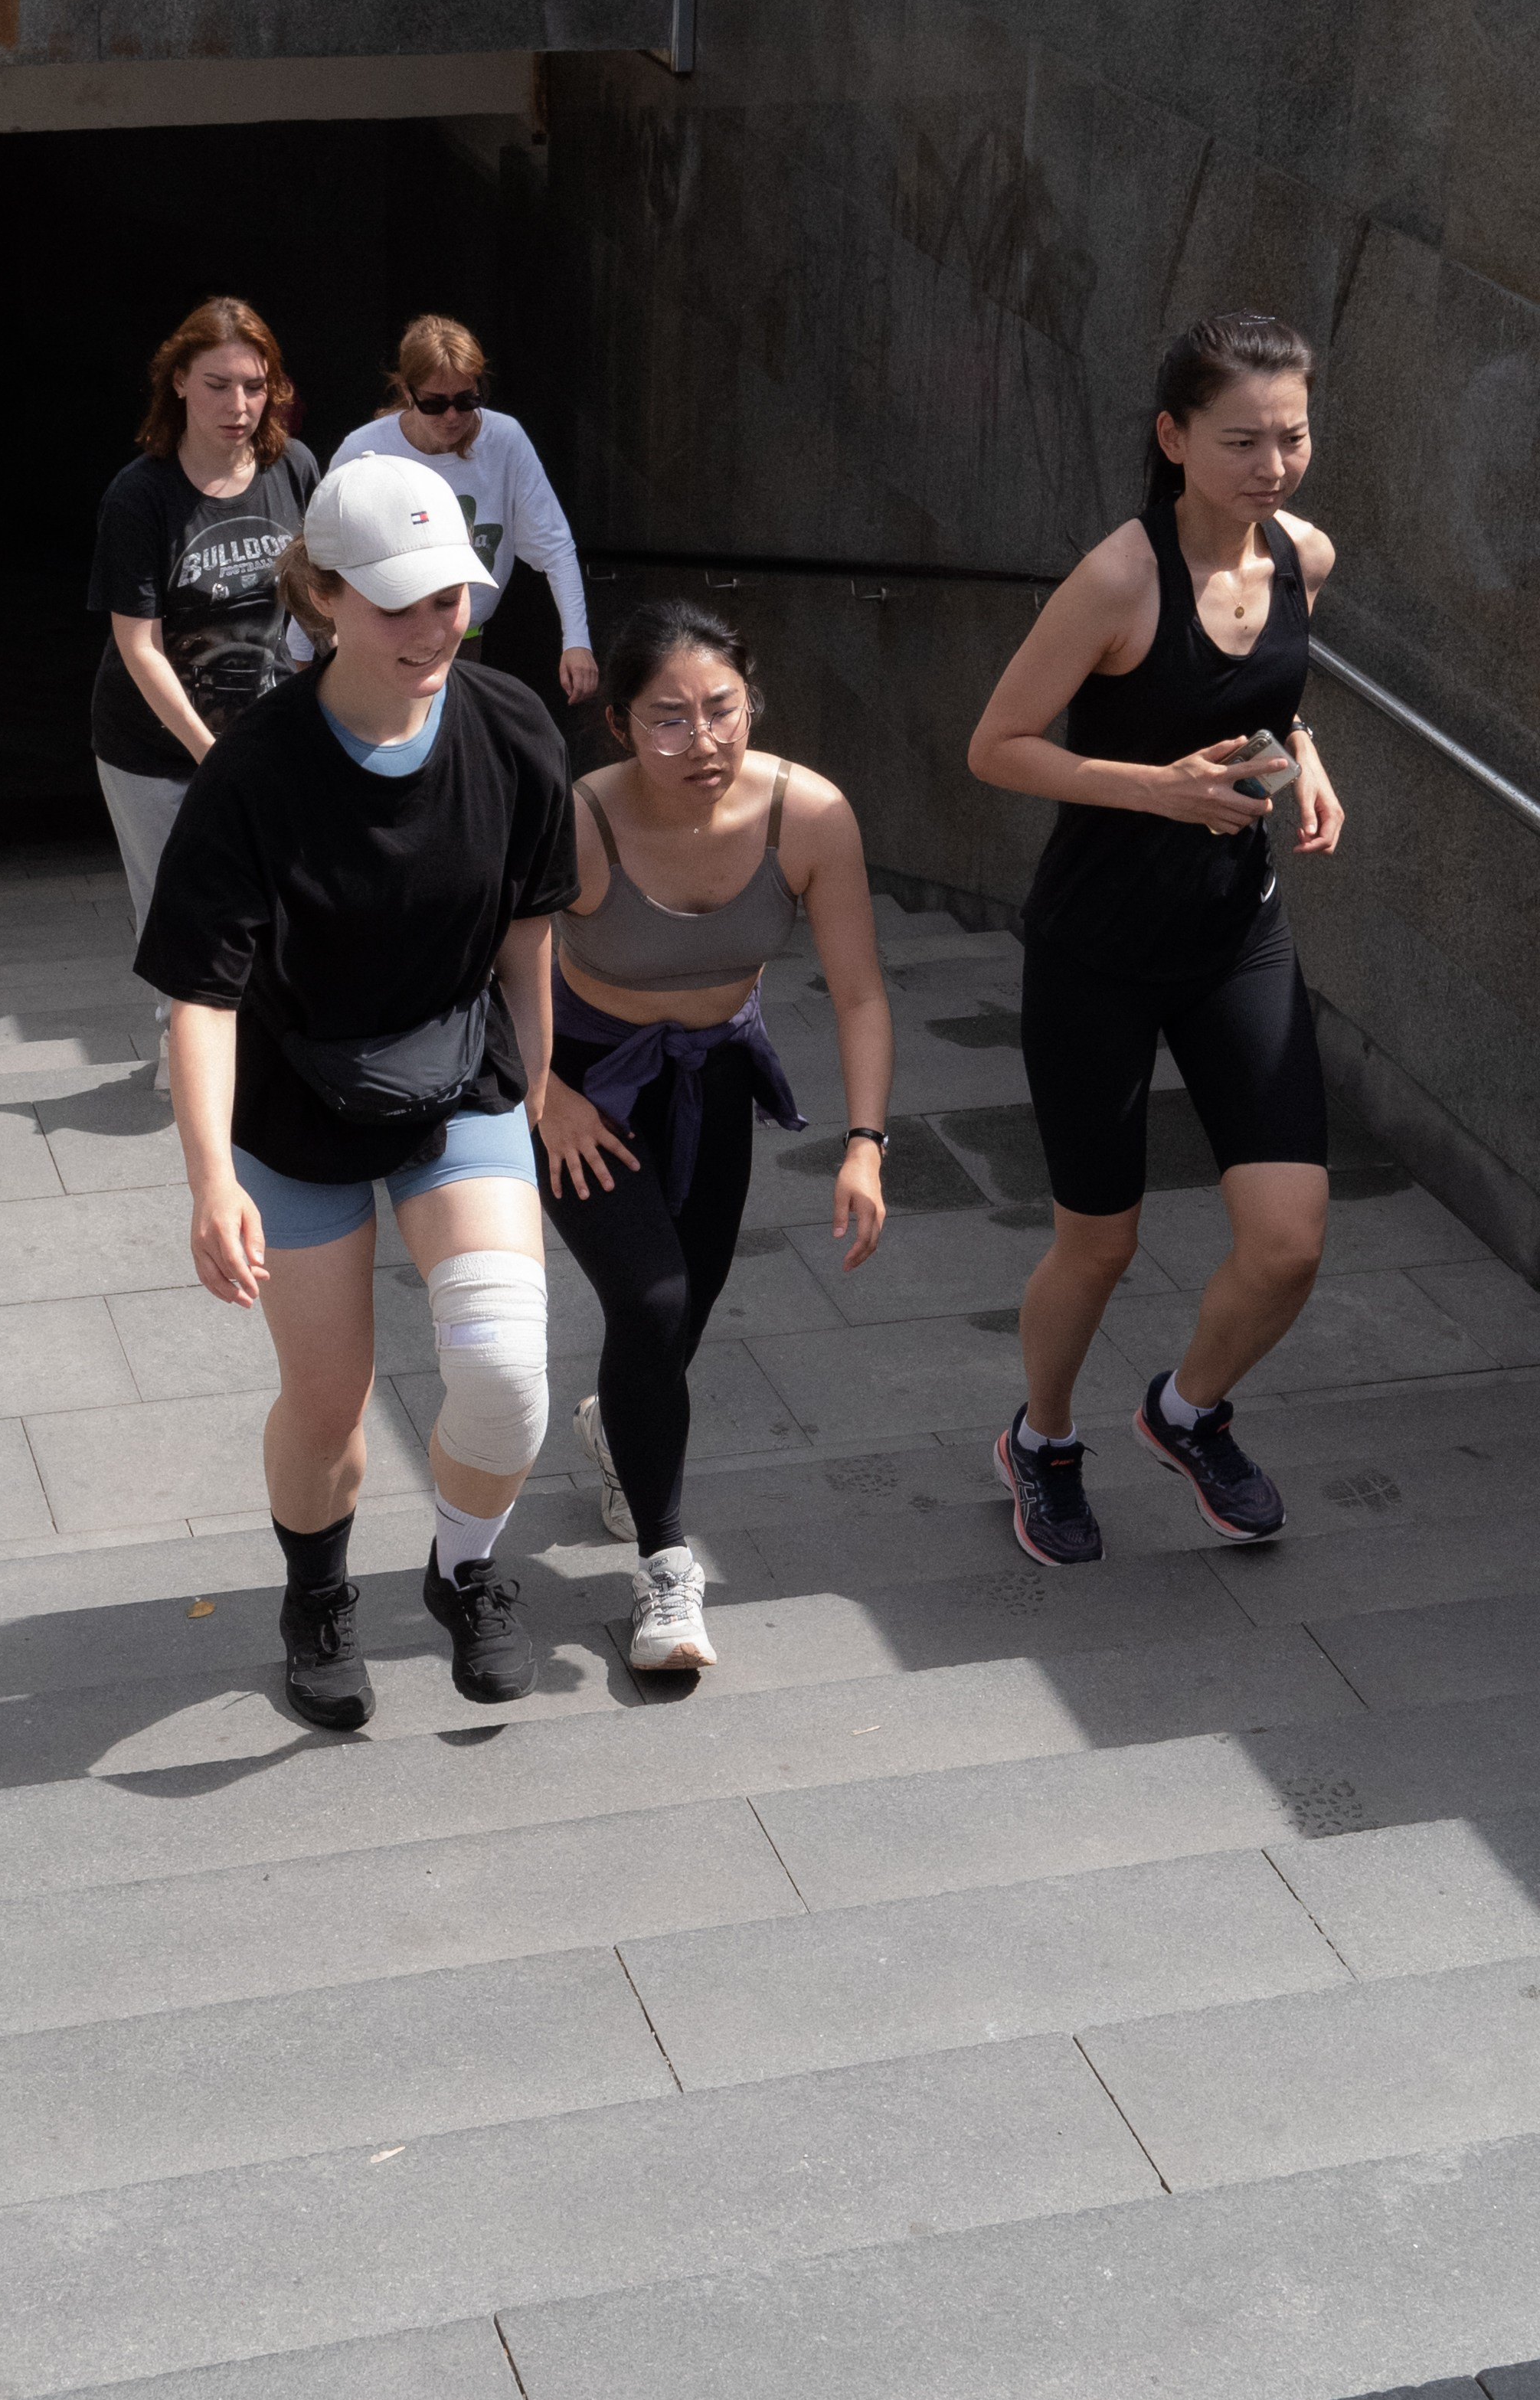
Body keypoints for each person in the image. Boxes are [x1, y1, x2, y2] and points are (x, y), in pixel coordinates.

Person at [134, 456, 576, 1729]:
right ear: (321, 594)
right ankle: (318, 1596)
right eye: (398, 602)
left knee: (504, 1368)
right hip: (297, 1103)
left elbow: (528, 942)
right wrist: (210, 1181)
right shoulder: (255, 775)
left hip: (458, 1074)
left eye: (451, 598)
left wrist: (535, 1104)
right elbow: (202, 998)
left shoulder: (513, 729)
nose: (433, 628)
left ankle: (462, 1565)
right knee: (329, 1400)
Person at [966, 311, 1345, 1568]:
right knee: (1101, 1242)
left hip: (1236, 933)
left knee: (1289, 1237)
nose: (1271, 465)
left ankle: (1186, 1412)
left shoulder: (1304, 553)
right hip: (1098, 949)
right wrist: (1159, 788)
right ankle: (1045, 1440)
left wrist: (1305, 760)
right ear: (1174, 438)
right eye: (1241, 440)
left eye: (1290, 436)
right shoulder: (1120, 578)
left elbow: (1272, 693)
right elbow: (998, 746)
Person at [539, 601, 892, 1672]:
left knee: (679, 1320)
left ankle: (622, 1428)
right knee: (647, 1302)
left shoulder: (809, 814)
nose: (703, 742)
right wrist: (546, 1094)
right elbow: (479, 969)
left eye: (722, 711)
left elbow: (862, 994)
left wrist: (866, 1141)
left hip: (716, 1078)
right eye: (668, 720)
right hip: (584, 1087)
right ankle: (665, 1574)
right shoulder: (577, 820)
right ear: (619, 727)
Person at [88, 296, 316, 1092]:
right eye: (218, 384)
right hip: (153, 744)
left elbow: (320, 602)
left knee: (277, 890)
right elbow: (136, 643)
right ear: (179, 381)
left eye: (256, 385)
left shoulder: (295, 468)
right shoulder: (140, 496)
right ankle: (183, 1053)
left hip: (263, 731)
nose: (240, 405)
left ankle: (260, 1043)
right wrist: (207, 751)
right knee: (176, 905)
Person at [320, 315, 597, 706]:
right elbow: (318, 554)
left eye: (466, 400)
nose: (452, 417)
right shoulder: (364, 450)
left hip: (464, 640)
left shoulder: (503, 439)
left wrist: (577, 643)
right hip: (385, 641)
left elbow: (555, 547)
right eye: (435, 404)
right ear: (407, 391)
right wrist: (309, 650)